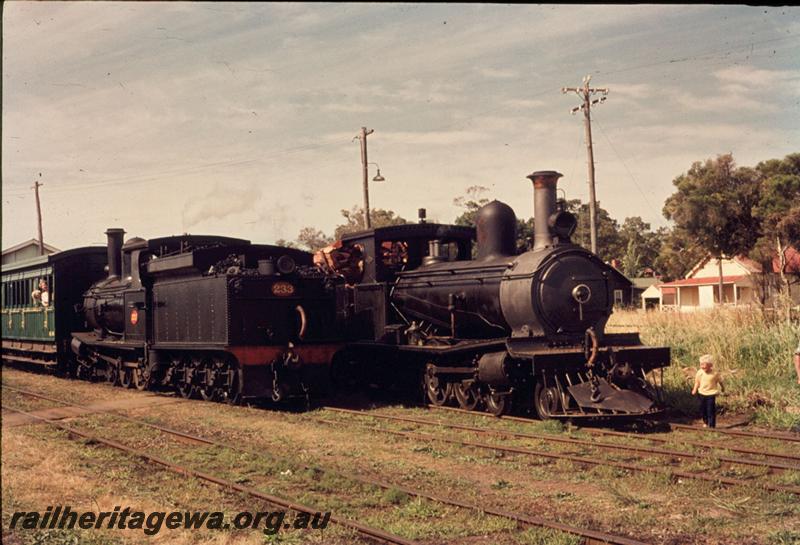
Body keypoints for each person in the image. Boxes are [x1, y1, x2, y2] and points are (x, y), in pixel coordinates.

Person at [692, 354, 723, 428]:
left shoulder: (715, 373)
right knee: (702, 408)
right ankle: (705, 421)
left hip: (711, 394)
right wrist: (694, 389)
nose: (702, 366)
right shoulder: (700, 372)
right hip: (701, 393)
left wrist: (722, 387)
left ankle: (712, 425)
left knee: (710, 410)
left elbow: (720, 381)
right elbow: (697, 382)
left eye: (704, 364)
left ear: (710, 365)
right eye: (701, 364)